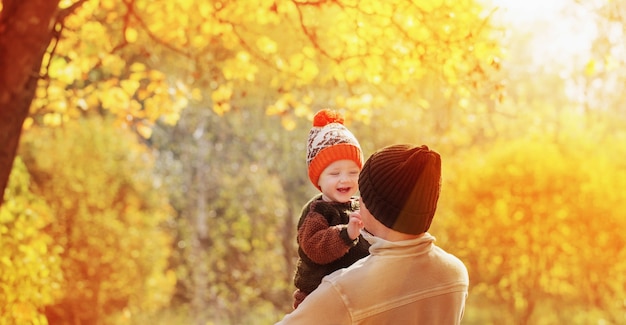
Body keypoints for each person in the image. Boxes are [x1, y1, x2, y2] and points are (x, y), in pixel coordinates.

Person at [277, 144, 469, 324]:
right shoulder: (455, 275)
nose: (358, 200)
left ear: (376, 208)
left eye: (364, 196)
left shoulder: (344, 291)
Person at [291, 108, 371, 309]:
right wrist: (346, 234)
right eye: (335, 173)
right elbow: (314, 247)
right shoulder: (317, 211)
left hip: (353, 296)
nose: (345, 179)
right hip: (317, 298)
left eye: (353, 172)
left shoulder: (359, 205)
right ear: (318, 179)